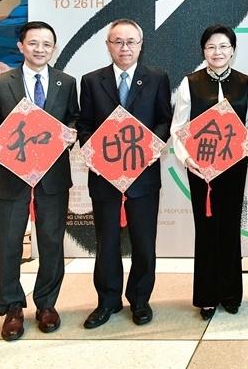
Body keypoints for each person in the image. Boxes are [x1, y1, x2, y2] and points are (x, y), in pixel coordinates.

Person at [0, 21, 79, 341]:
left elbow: (73, 118)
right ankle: (12, 308)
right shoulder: (0, 83)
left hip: (52, 178)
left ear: (54, 48)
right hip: (12, 177)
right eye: (33, 43)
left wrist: (72, 133)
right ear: (21, 47)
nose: (40, 49)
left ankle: (47, 304)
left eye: (46, 44)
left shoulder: (66, 83)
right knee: (7, 243)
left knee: (51, 243)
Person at [77, 19, 172, 328]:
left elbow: (164, 120)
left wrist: (151, 148)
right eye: (118, 42)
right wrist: (93, 152)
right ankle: (107, 301)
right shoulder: (92, 81)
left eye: (131, 41)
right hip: (104, 177)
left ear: (141, 45)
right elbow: (85, 125)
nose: (125, 47)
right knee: (106, 242)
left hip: (143, 176)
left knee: (144, 242)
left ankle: (140, 300)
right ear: (108, 45)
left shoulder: (157, 78)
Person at [170, 25, 248, 320]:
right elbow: (178, 127)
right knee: (206, 229)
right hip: (200, 166)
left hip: (234, 166)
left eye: (223, 46)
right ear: (203, 51)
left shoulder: (246, 81)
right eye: (210, 47)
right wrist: (186, 159)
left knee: (230, 227)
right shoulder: (190, 83)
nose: (217, 52)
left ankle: (231, 294)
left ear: (232, 50)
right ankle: (207, 296)